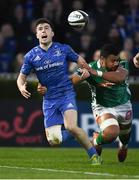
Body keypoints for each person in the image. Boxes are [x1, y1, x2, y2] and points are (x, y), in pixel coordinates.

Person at [16, 18, 102, 165]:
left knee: (71, 126)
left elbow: (79, 60)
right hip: (49, 99)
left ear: (52, 33)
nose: (43, 30)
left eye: (47, 28)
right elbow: (21, 78)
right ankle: (78, 135)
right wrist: (22, 87)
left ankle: (94, 156)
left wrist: (88, 69)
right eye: (40, 29)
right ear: (37, 35)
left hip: (66, 93)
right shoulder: (31, 56)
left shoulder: (63, 48)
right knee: (54, 141)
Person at [70, 44, 132, 162]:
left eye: (117, 60)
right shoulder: (90, 67)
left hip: (124, 104)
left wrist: (96, 73)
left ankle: (124, 146)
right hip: (102, 107)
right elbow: (72, 79)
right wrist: (82, 77)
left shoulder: (122, 65)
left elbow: (120, 77)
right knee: (112, 133)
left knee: (125, 137)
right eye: (112, 61)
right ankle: (96, 139)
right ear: (102, 59)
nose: (116, 63)